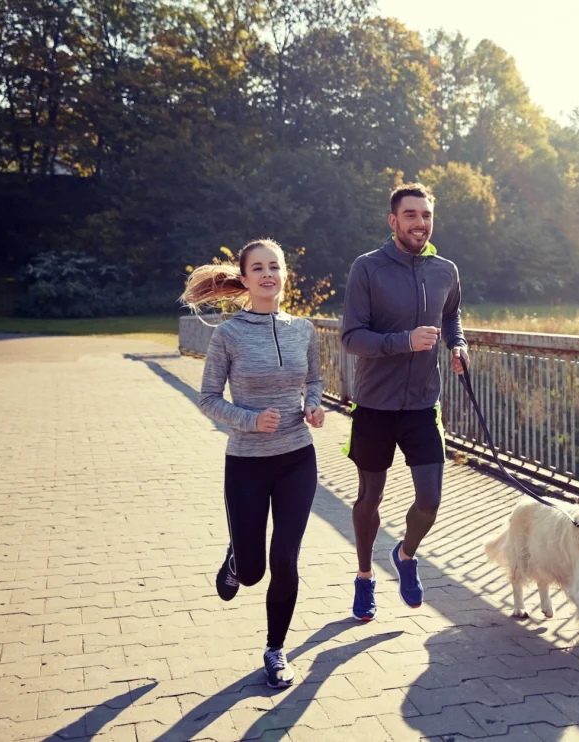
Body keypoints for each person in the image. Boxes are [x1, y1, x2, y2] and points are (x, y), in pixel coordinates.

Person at [180, 239, 325, 688]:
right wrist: (251, 420)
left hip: (297, 459)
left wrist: (313, 406)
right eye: (258, 268)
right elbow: (207, 398)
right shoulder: (228, 335)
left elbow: (315, 379)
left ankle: (275, 649)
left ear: (284, 275)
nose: (267, 274)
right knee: (252, 572)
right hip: (247, 463)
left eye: (274, 267)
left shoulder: (303, 329)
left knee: (285, 559)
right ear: (243, 279)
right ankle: (236, 560)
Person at [341, 183, 468, 621]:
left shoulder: (445, 270)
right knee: (369, 498)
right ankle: (364, 576)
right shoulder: (367, 268)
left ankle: (405, 555)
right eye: (410, 215)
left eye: (426, 215)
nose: (420, 223)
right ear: (393, 220)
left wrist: (457, 344)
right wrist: (404, 341)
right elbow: (352, 337)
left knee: (430, 501)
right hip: (374, 406)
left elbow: (450, 315)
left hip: (423, 405)